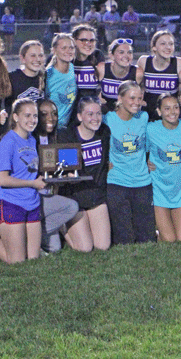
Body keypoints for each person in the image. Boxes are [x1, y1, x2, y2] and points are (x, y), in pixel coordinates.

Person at [32, 100, 92, 253]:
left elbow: (67, 166)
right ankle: (29, 232)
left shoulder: (62, 136)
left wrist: (67, 173)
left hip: (53, 195)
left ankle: (35, 232)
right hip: (34, 196)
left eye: (54, 114)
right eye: (44, 114)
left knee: (54, 248)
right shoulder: (30, 139)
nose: (51, 118)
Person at [57, 97, 112, 250]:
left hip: (96, 194)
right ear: (80, 116)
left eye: (98, 113)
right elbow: (64, 169)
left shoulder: (104, 133)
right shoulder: (68, 136)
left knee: (102, 246)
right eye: (90, 114)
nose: (95, 118)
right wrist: (68, 176)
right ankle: (61, 226)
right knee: (85, 248)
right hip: (75, 196)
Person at [104, 81, 155, 244]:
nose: (137, 102)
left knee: (147, 239)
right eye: (132, 98)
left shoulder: (144, 117)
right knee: (124, 240)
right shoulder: (108, 119)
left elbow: (150, 141)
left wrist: (151, 159)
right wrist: (103, 163)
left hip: (142, 182)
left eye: (139, 98)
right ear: (120, 98)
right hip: (117, 182)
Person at [0, 99, 45, 263]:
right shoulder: (7, 142)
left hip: (32, 202)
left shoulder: (32, 140)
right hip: (12, 202)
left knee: (33, 259)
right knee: (18, 262)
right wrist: (32, 184)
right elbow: (2, 179)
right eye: (27, 115)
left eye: (35, 116)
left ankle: (13, 244)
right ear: (16, 117)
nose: (32, 120)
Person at [145, 94, 181, 242]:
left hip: (180, 191)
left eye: (175, 107)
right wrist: (145, 162)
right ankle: (157, 232)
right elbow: (139, 150)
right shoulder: (150, 129)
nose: (172, 112)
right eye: (167, 108)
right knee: (169, 241)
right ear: (159, 111)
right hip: (159, 189)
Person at [138, 31, 181, 122]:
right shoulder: (144, 61)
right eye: (163, 44)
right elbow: (137, 85)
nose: (168, 47)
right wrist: (139, 99)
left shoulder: (180, 63)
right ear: (154, 47)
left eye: (171, 44)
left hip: (171, 116)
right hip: (148, 116)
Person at [45, 33, 77, 128]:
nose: (68, 51)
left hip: (67, 127)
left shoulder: (73, 69)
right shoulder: (48, 75)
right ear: (54, 50)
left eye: (71, 48)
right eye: (64, 48)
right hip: (51, 127)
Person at [97, 38, 138, 113]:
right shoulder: (102, 69)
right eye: (121, 52)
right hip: (105, 114)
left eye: (129, 52)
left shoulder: (137, 73)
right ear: (111, 56)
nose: (126, 56)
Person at [7, 40, 47, 109]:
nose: (37, 59)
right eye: (33, 55)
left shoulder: (47, 78)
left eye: (40, 55)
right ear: (22, 58)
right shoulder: (12, 79)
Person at [72, 24, 106, 101]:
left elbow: (103, 85)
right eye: (84, 40)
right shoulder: (67, 58)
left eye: (92, 40)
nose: (88, 44)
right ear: (74, 41)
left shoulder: (97, 55)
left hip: (92, 104)